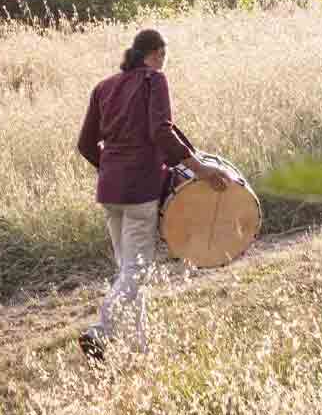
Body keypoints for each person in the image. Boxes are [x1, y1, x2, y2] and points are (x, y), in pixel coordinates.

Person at [75, 28, 226, 358]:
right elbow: (161, 131)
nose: (163, 61)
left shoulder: (103, 87)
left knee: (128, 270)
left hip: (110, 188)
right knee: (138, 269)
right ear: (156, 53)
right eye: (163, 55)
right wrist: (200, 169)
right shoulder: (153, 80)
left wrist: (112, 168)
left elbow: (86, 145)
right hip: (140, 188)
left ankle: (139, 348)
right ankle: (100, 331)